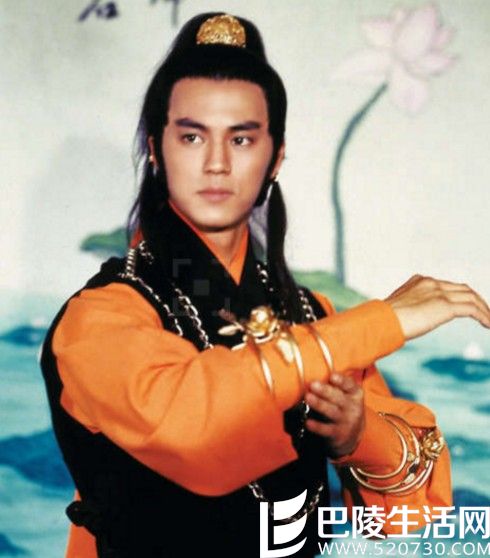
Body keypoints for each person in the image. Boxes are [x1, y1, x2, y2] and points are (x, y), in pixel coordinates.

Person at [40, 12, 489, 558]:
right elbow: (195, 425)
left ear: (275, 157)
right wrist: (384, 320)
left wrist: (357, 434)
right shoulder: (102, 317)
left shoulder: (312, 314)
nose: (217, 163)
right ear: (157, 150)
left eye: (242, 138)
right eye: (192, 136)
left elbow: (410, 513)